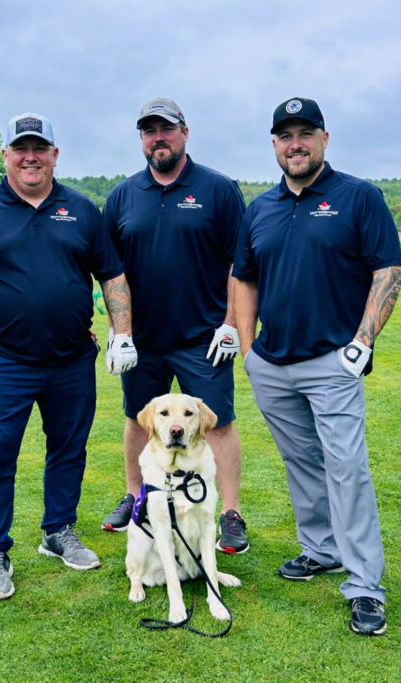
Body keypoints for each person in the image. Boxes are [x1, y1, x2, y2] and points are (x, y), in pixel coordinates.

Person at [0, 112, 136, 601]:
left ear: (54, 154)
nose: (31, 157)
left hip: (70, 360)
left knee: (69, 449)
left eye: (40, 148)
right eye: (21, 148)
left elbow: (111, 275)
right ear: (5, 154)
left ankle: (58, 530)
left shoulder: (81, 210)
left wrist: (122, 333)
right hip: (1, 362)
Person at [232, 97, 401, 636]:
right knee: (301, 462)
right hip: (273, 362)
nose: (295, 144)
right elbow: (244, 277)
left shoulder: (358, 197)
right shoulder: (259, 208)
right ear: (275, 145)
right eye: (285, 136)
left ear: (324, 139)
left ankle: (364, 586)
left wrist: (363, 340)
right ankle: (321, 550)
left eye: (305, 133)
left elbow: (388, 271)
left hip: (333, 361)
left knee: (346, 468)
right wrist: (246, 347)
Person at [100, 98, 250, 554]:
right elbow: (110, 271)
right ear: (141, 138)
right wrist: (118, 331)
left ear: (184, 131)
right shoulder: (123, 196)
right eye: (148, 131)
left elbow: (239, 264)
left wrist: (231, 324)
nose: (157, 138)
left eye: (165, 128)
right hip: (142, 339)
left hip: (204, 337)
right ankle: (135, 496)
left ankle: (230, 513)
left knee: (217, 422)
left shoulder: (218, 189)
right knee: (138, 420)